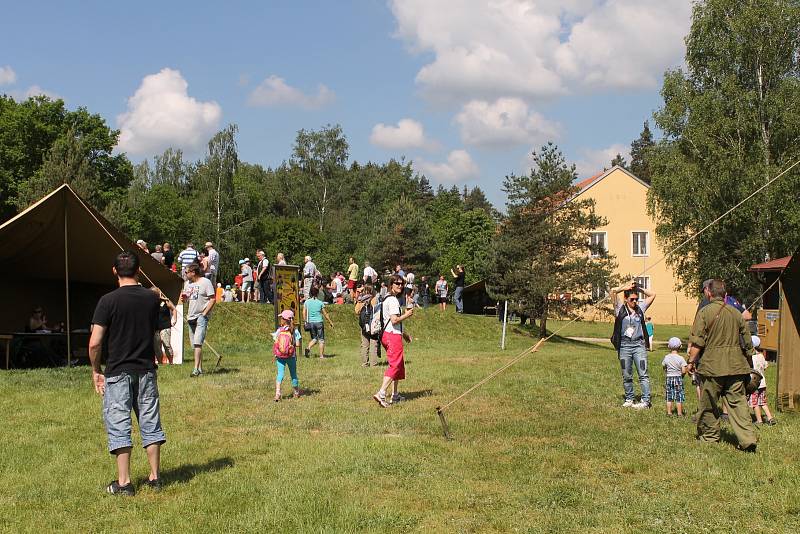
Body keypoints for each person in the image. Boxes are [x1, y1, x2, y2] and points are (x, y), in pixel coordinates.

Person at [88, 251, 166, 496]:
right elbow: (159, 332)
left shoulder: (107, 301)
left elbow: (94, 343)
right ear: (139, 270)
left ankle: (124, 483)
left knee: (119, 422)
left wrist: (95, 370)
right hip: (146, 370)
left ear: (114, 271)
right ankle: (155, 478)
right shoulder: (151, 299)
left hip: (118, 371)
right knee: (150, 420)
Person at [687, 279, 757, 452]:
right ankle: (748, 439)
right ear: (725, 295)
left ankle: (710, 437)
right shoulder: (736, 313)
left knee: (709, 402)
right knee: (738, 404)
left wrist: (690, 362)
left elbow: (697, 342)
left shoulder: (704, 313)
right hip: (736, 366)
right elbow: (748, 343)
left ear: (709, 293)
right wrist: (749, 363)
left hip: (712, 366)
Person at [610, 280, 656, 409]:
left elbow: (653, 294)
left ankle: (646, 401)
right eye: (632, 299)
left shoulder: (641, 308)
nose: (635, 302)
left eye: (636, 299)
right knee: (626, 374)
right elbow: (612, 291)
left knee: (643, 374)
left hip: (639, 346)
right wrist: (624, 287)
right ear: (625, 299)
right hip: (624, 346)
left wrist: (639, 288)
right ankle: (629, 398)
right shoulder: (619, 308)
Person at [373, 274, 414, 407]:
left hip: (391, 334)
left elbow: (393, 323)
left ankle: (395, 395)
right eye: (397, 283)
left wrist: (404, 334)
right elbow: (394, 319)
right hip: (391, 336)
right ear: (391, 285)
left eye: (401, 284)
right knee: (395, 365)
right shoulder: (393, 300)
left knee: (399, 364)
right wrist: (407, 315)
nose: (400, 286)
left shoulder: (388, 299)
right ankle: (382, 393)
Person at [181, 263, 216, 377]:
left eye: (186, 272)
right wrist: (184, 298)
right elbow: (186, 300)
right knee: (195, 345)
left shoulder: (205, 282)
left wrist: (204, 314)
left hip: (201, 317)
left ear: (193, 272)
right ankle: (200, 369)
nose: (185, 274)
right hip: (190, 317)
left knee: (197, 343)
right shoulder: (187, 284)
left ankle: (195, 369)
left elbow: (212, 299)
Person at [273, 309, 301, 401]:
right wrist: (291, 345)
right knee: (293, 374)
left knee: (280, 374)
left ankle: (277, 393)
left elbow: (276, 342)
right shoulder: (294, 331)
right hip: (291, 356)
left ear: (283, 320)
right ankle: (296, 392)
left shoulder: (279, 330)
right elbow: (298, 344)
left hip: (280, 356)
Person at [749, 335, 776, 426]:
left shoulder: (751, 357)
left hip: (754, 383)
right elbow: (766, 366)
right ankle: (770, 418)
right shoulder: (761, 355)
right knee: (763, 402)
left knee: (755, 403)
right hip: (763, 383)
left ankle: (759, 421)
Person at [303, 285, 333, 358]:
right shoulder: (320, 303)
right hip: (319, 322)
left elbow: (304, 312)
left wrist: (305, 321)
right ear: (317, 294)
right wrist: (330, 322)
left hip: (311, 323)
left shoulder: (307, 302)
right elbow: (325, 314)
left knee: (314, 338)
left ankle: (308, 348)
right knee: (321, 339)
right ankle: (321, 356)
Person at [151, 287, 177, 365]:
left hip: (165, 326)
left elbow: (174, 309)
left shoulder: (165, 301)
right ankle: (160, 363)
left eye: (156, 293)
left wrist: (174, 319)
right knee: (157, 347)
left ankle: (171, 362)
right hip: (155, 328)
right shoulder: (150, 302)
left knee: (167, 344)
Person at [662, 337, 687, 416]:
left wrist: (667, 371)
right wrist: (682, 375)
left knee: (669, 396)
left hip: (669, 378)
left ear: (668, 346)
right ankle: (679, 413)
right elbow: (683, 370)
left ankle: (669, 412)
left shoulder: (666, 357)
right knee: (678, 396)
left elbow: (664, 366)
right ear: (680, 346)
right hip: (678, 378)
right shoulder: (681, 358)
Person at [355, 283, 379, 367]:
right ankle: (373, 363)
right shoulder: (374, 298)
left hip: (364, 325)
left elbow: (356, 311)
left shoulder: (361, 300)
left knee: (364, 345)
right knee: (373, 343)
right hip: (373, 325)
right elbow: (376, 310)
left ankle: (365, 363)